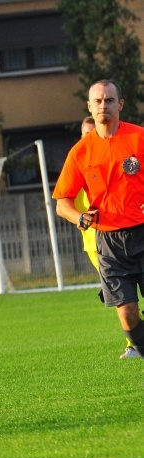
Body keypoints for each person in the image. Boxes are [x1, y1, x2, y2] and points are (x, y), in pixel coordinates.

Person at [53, 79, 144, 359]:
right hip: (109, 242)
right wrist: (79, 217)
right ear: (89, 106)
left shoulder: (139, 137)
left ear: (120, 104)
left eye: (109, 100)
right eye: (98, 101)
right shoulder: (80, 152)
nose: (104, 105)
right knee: (127, 313)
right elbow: (62, 203)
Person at [73, 116, 140, 359]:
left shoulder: (117, 157)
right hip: (96, 244)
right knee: (123, 296)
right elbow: (65, 201)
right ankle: (133, 344)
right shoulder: (79, 161)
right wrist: (80, 218)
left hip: (129, 234)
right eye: (86, 133)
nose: (92, 136)